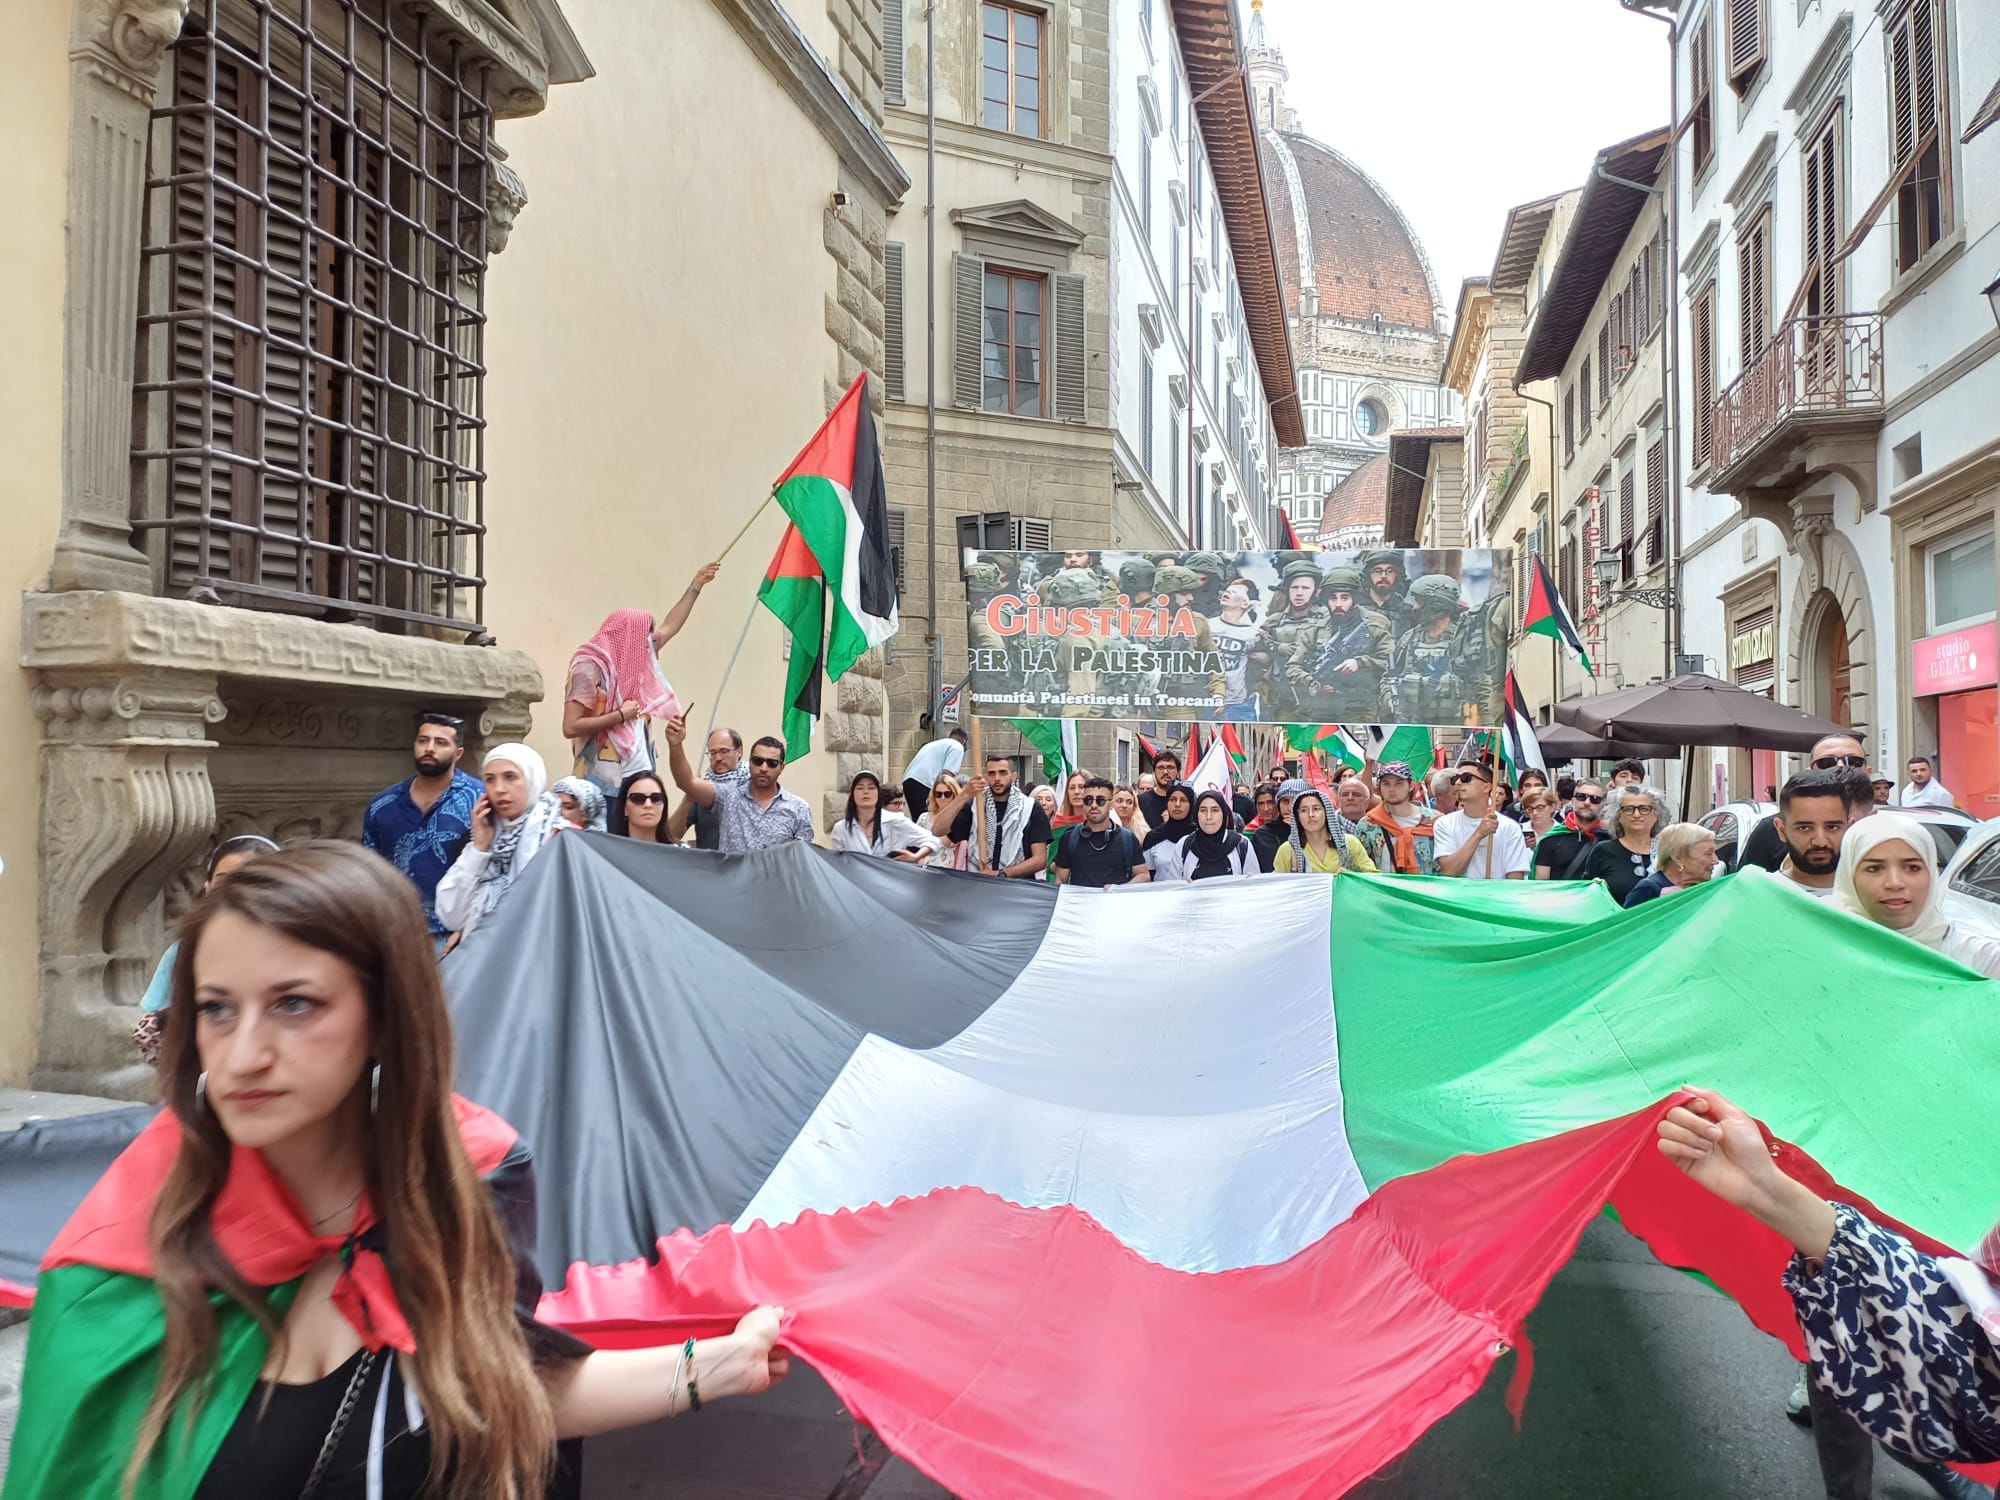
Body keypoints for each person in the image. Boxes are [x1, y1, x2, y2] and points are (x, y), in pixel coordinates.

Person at [11, 843, 791, 1500]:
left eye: (295, 1004)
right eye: (217, 1008)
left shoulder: (460, 1188)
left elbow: (498, 1391)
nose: (242, 1054)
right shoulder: (118, 1273)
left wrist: (724, 1364)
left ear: (386, 1017)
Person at [1658, 1090, 1998, 1500]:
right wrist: (1764, 1188)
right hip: (1864, 1181)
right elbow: (1961, 1352)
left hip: (1922, 1204)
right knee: (1848, 1354)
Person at [562, 563, 720, 795]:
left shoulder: (637, 660)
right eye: (644, 635)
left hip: (641, 778)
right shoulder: (589, 667)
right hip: (602, 784)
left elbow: (671, 626)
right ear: (627, 636)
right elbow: (570, 726)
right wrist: (620, 716)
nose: (650, 642)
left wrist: (696, 585)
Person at [134, 834, 280, 1064]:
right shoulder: (184, 952)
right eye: (224, 882)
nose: (237, 893)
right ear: (208, 887)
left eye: (254, 881)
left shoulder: (295, 952)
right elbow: (152, 1026)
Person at [361, 712, 484, 943]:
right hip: (396, 932)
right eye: (423, 740)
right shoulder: (382, 806)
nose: (429, 748)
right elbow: (369, 874)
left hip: (458, 935)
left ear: (458, 754)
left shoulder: (479, 800)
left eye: (440, 743)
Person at [1831, 812, 2000, 979]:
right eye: (1874, 869)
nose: (1895, 883)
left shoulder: (1979, 959)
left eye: (1912, 868)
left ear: (1932, 874)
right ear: (1849, 875)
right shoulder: (1821, 944)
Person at [435, 744, 565, 937]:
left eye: (510, 777)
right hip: (483, 955)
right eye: (490, 780)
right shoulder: (484, 834)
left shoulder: (559, 835)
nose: (499, 789)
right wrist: (479, 849)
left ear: (532, 778)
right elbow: (451, 914)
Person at [664, 721, 816, 853]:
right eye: (757, 761)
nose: (763, 768)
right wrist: (676, 745)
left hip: (776, 884)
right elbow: (686, 782)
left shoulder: (798, 808)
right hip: (728, 881)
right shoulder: (728, 795)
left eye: (771, 763)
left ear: (781, 767)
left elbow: (803, 859)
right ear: (750, 762)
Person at [1740, 733, 1868, 871]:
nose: (1840, 766)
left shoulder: (1889, 827)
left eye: (1854, 761)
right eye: (1826, 763)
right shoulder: (1770, 830)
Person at [949, 754, 1052, 878]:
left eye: (1003, 773)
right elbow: (938, 830)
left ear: (1013, 776)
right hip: (980, 884)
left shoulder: (1030, 808)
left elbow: (1040, 860)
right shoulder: (975, 806)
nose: (997, 778)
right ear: (986, 777)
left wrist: (1000, 874)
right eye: (992, 774)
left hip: (1018, 888)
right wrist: (963, 795)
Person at [1432, 763, 1530, 880]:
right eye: (1455, 779)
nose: (1458, 783)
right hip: (1457, 897)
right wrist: (1479, 834)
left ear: (1486, 787)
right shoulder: (1444, 823)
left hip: (1496, 896)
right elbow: (1450, 870)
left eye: (1466, 778)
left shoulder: (1509, 827)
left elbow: (1515, 877)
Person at [1576, 784, 1672, 903]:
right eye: (1628, 809)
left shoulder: (1670, 851)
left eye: (1644, 809)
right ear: (1618, 815)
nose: (1636, 815)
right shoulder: (1604, 850)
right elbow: (1586, 895)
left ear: (1657, 814)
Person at [1052, 778, 1150, 887]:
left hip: (1115, 902)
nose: (1094, 805)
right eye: (1088, 800)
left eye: (1101, 800)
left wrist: (1120, 889)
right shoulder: (1070, 837)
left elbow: (1144, 875)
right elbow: (1060, 880)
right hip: (1080, 902)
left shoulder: (1127, 838)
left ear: (1111, 804)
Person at [1773, 769, 1854, 898]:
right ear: (1782, 830)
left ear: (1849, 828)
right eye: (1804, 828)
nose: (1820, 842)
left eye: (1832, 827)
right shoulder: (1762, 897)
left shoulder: (1873, 900)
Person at [666, 728, 747, 850]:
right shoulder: (703, 789)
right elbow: (671, 834)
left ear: (739, 751)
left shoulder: (753, 786)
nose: (718, 758)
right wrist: (688, 798)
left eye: (724, 751)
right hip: (710, 866)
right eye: (713, 753)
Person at [829, 771, 937, 861]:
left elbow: (933, 840)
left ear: (878, 793)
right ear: (852, 794)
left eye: (871, 788)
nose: (865, 792)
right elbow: (837, 865)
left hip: (890, 883)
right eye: (860, 788)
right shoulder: (841, 828)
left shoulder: (895, 821)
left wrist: (915, 856)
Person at [1273, 789, 1377, 875]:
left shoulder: (1349, 844)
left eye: (1316, 809)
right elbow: (1277, 885)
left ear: (1327, 812)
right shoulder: (1288, 850)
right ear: (1297, 816)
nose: (1310, 815)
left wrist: (1350, 875)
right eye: (1304, 810)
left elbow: (1373, 876)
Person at [1363, 762, 1439, 876]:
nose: (1392, 789)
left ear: (1411, 785)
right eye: (1386, 783)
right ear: (1379, 787)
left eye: (1398, 783)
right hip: (1384, 892)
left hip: (1426, 891)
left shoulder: (1434, 821)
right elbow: (1359, 866)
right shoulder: (1368, 824)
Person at [1165, 789, 1257, 881]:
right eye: (1203, 810)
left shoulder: (1241, 845)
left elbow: (1254, 887)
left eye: (1215, 810)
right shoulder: (1184, 845)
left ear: (1224, 814)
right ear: (1196, 814)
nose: (1209, 817)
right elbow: (1173, 888)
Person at [1622, 822, 1720, 907]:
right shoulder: (1649, 889)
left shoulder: (1703, 888)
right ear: (1678, 858)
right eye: (1708, 854)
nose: (1716, 860)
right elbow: (1627, 926)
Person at [1532, 779, 1610, 880]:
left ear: (1603, 805)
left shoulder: (1611, 838)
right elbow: (1541, 885)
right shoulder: (1550, 839)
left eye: (1595, 799)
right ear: (1573, 801)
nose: (1587, 803)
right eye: (1581, 797)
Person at [900, 727, 968, 816]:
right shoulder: (957, 746)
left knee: (920, 819)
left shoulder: (936, 744)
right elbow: (947, 776)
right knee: (928, 821)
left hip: (909, 781)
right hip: (924, 783)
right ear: (963, 741)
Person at [1141, 783, 1198, 881]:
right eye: (1172, 800)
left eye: (1183, 800)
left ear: (1191, 804)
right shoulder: (1153, 837)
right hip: (1161, 894)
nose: (1177, 804)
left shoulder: (1200, 836)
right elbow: (1147, 876)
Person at [1330, 777, 1388, 868]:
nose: (1350, 798)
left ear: (1367, 801)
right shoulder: (1327, 826)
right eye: (1345, 794)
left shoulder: (1379, 825)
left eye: (1356, 795)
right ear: (1338, 800)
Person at [1250, 779, 1305, 872]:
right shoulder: (1263, 835)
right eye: (1285, 801)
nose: (1290, 807)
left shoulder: (1315, 830)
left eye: (1270, 802)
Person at [918, 774, 967, 869]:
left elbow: (951, 843)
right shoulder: (924, 818)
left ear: (955, 794)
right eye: (938, 794)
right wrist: (921, 864)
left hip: (952, 870)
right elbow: (918, 846)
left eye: (947, 794)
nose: (943, 798)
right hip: (926, 869)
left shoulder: (962, 818)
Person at [609, 771, 672, 842]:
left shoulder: (681, 851)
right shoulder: (606, 852)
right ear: (624, 808)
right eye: (638, 798)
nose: (648, 805)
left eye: (656, 798)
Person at [1139, 751, 1181, 825]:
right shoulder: (1141, 801)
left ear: (1178, 771)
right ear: (1154, 772)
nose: (1165, 772)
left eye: (1170, 767)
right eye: (1160, 768)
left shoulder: (1189, 800)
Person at [1519, 787, 1561, 852]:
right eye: (1530, 809)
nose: (1534, 813)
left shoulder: (1562, 832)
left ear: (1552, 807)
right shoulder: (1519, 831)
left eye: (1540, 807)